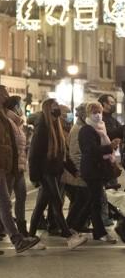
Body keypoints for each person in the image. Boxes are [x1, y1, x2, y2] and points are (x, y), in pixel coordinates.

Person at [0, 85, 39, 255]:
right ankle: (17, 240)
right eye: (4, 94)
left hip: (0, 165)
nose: (7, 97)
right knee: (4, 203)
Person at [28, 98, 86, 249]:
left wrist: (73, 170)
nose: (57, 110)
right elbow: (34, 153)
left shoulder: (56, 127)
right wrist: (34, 176)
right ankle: (68, 236)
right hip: (46, 172)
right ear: (48, 109)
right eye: (54, 107)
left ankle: (30, 238)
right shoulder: (43, 127)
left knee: (41, 205)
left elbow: (62, 154)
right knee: (57, 203)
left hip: (54, 172)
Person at [79, 102, 120, 243]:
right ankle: (99, 232)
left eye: (99, 112)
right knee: (96, 201)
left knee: (93, 200)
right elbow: (91, 151)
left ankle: (75, 225)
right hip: (91, 170)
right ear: (88, 113)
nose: (98, 115)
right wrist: (110, 147)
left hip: (98, 170)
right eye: (94, 112)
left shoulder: (100, 128)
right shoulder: (87, 130)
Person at [4, 96, 28, 237]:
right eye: (21, 105)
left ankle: (21, 227)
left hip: (19, 168)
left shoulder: (17, 123)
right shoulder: (9, 122)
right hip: (11, 168)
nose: (22, 108)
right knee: (4, 201)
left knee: (21, 196)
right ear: (15, 106)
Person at [65, 103, 90, 231]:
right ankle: (71, 225)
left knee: (81, 199)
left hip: (82, 170)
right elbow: (75, 153)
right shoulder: (78, 130)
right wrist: (80, 171)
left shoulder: (83, 128)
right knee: (81, 199)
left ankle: (76, 225)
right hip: (79, 172)